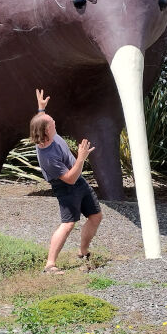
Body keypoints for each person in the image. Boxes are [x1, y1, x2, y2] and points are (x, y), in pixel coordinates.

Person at [29, 89, 102, 274]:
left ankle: (83, 252)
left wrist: (41, 108)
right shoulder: (48, 156)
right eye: (52, 123)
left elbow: (42, 119)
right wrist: (81, 157)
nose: (55, 123)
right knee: (68, 224)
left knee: (95, 216)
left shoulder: (46, 132)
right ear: (47, 130)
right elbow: (69, 179)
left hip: (79, 182)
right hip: (67, 187)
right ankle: (50, 265)